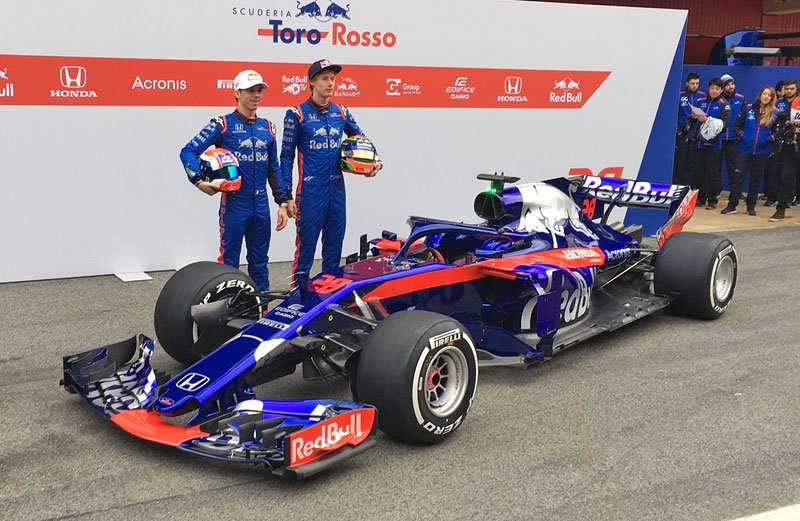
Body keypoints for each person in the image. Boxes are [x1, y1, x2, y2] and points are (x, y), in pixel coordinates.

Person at [180, 69, 288, 290]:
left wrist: (282, 202)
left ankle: (261, 311)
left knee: (260, 264)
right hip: (234, 204)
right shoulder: (222, 124)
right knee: (229, 264)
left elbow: (273, 168)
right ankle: (224, 313)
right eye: (250, 90)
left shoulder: (268, 127)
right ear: (237, 92)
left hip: (261, 205)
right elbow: (188, 150)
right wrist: (200, 181)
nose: (256, 95)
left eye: (259, 90)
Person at [280, 59, 382, 283]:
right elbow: (285, 158)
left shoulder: (341, 111)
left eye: (333, 79)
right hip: (309, 191)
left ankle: (328, 303)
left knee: (334, 250)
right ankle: (297, 300)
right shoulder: (296, 114)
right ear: (312, 82)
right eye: (325, 79)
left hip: (336, 190)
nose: (330, 83)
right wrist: (286, 196)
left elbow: (361, 139)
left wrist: (376, 161)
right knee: (305, 252)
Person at [722, 86, 777, 216]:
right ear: (760, 94)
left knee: (756, 179)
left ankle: (750, 206)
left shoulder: (775, 112)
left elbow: (777, 131)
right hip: (744, 148)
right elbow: (736, 125)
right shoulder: (748, 108)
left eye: (769, 95)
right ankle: (732, 205)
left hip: (762, 151)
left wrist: (771, 137)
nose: (766, 97)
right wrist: (742, 135)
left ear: (772, 98)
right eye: (764, 94)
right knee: (737, 177)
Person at [688, 78, 730, 209]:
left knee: (712, 173)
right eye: (712, 88)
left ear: (721, 90)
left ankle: (712, 200)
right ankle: (700, 198)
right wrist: (694, 116)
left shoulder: (724, 104)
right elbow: (693, 120)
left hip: (714, 144)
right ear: (709, 88)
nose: (714, 91)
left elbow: (724, 124)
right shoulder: (701, 101)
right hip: (698, 143)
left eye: (717, 89)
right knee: (698, 172)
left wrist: (707, 119)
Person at [770, 79, 800, 221]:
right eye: (787, 89)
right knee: (786, 175)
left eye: (792, 88)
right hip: (791, 143)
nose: (789, 91)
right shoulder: (792, 103)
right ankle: (781, 208)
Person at [675, 73, 705, 185]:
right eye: (692, 83)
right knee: (681, 159)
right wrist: (678, 130)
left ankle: (690, 185)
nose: (695, 86)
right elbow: (675, 113)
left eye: (697, 83)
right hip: (683, 133)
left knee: (694, 161)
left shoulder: (702, 96)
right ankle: (679, 183)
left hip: (697, 133)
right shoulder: (680, 94)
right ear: (687, 83)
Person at [719, 74, 746, 193]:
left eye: (732, 84)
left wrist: (740, 133)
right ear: (723, 86)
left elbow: (745, 117)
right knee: (715, 167)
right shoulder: (718, 98)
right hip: (718, 138)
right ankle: (716, 191)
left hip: (734, 138)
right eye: (728, 84)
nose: (731, 86)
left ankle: (736, 192)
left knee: (734, 167)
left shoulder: (741, 98)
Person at [763, 80, 788, 206]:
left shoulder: (779, 110)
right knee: (769, 170)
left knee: (782, 170)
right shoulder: (774, 106)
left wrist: (774, 136)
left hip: (785, 143)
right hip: (768, 144)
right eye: (783, 89)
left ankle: (783, 197)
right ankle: (770, 195)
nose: (786, 91)